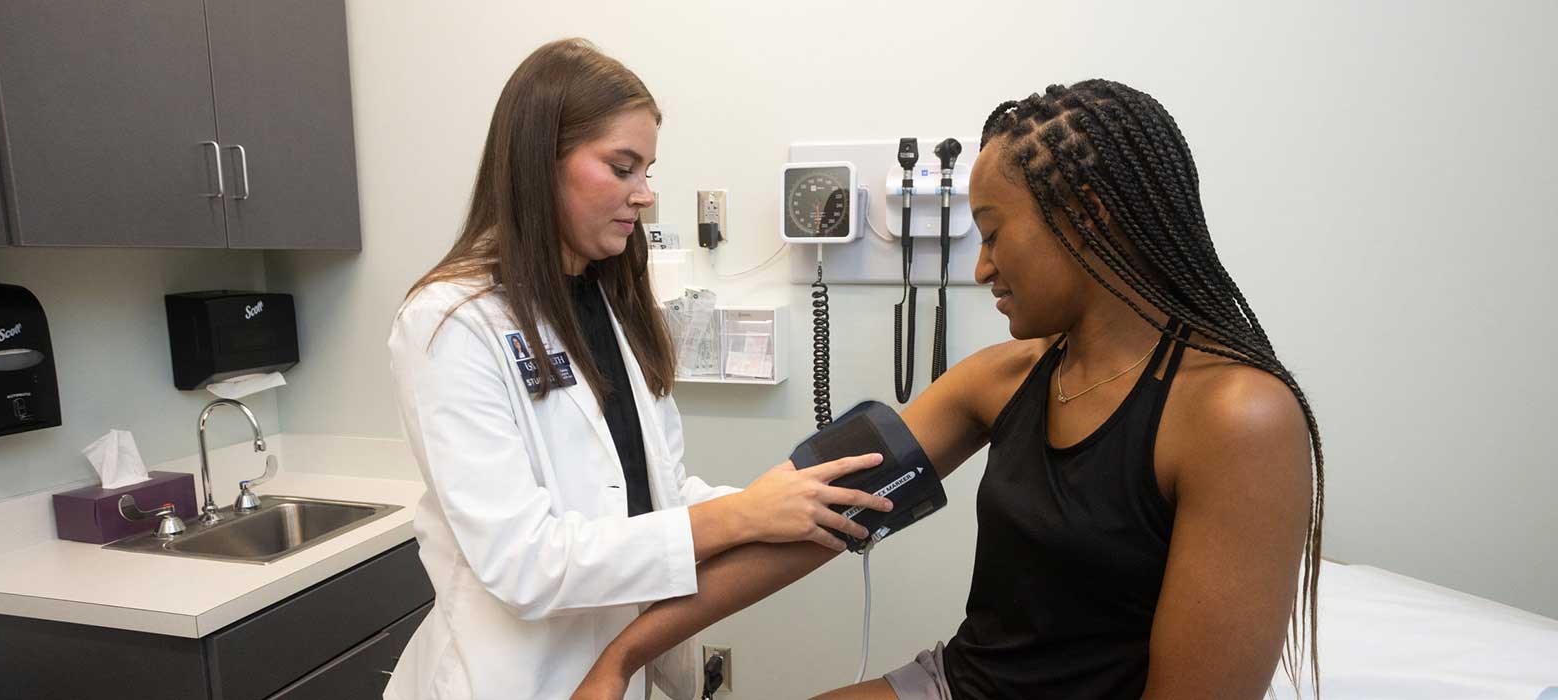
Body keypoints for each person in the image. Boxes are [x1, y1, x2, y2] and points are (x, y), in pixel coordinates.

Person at [572, 79, 1325, 700]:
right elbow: (816, 520)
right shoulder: (1006, 378)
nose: (981, 267)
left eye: (994, 234)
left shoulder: (1239, 418)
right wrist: (626, 655)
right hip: (958, 686)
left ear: (1088, 221)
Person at [383, 38, 892, 700]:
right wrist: (742, 520)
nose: (645, 195)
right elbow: (526, 562)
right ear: (542, 163)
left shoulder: (609, 302)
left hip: (619, 669)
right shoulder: (449, 323)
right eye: (622, 168)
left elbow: (650, 495)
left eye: (648, 170)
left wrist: (768, 501)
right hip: (514, 680)